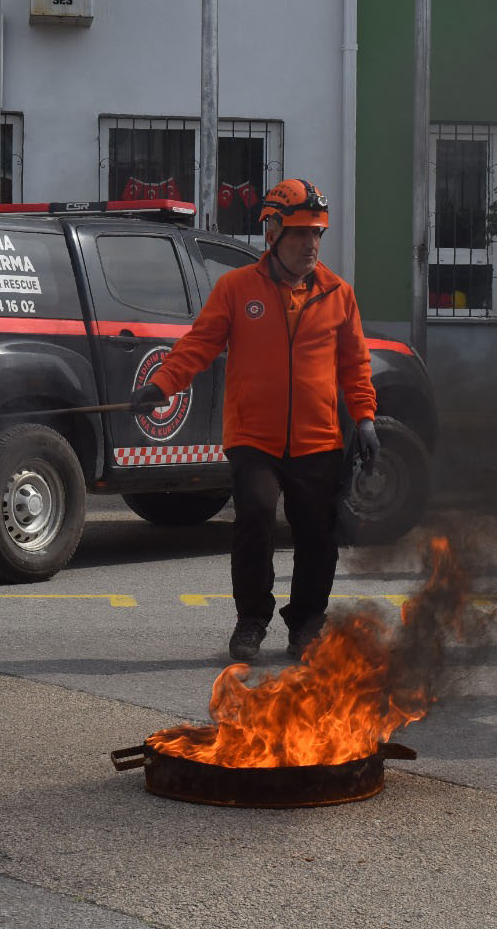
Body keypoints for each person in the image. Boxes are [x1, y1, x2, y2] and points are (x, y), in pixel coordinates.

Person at [129, 178, 379, 662]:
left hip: (318, 440)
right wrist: (161, 385)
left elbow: (355, 364)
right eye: (301, 233)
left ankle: (307, 624)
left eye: (318, 234)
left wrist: (365, 417)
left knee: (317, 535)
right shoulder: (236, 288)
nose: (311, 244)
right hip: (253, 438)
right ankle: (251, 622)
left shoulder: (338, 294)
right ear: (272, 233)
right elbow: (199, 345)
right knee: (256, 522)